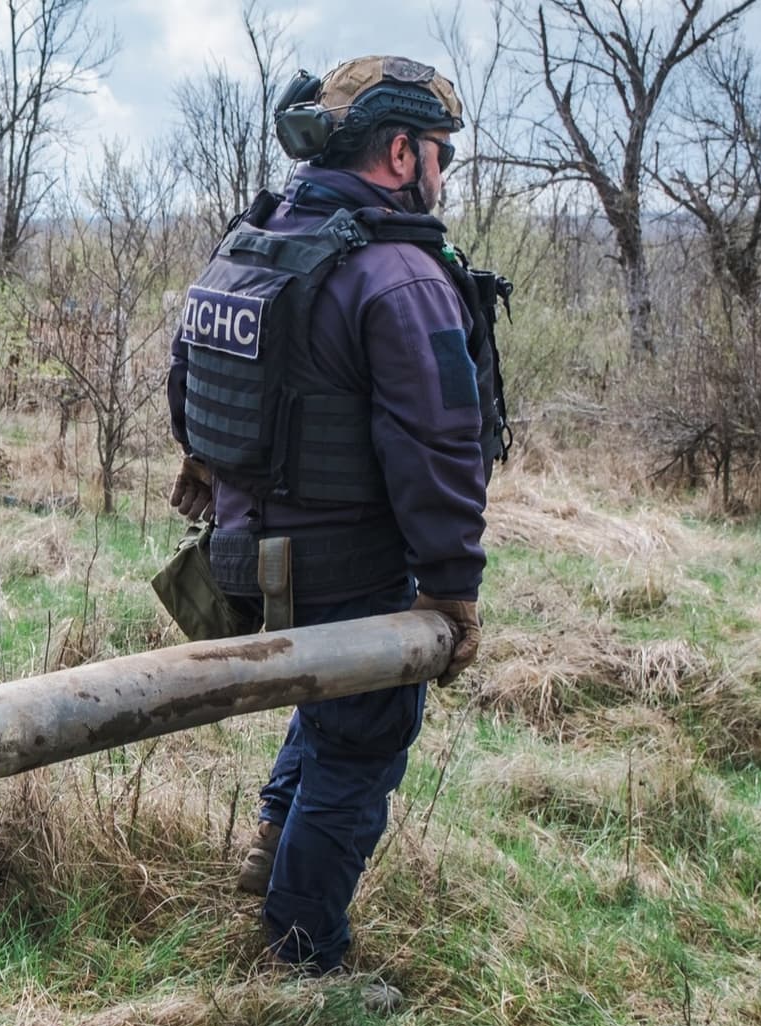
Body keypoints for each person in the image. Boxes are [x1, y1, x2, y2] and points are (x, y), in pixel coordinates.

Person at [166, 55, 506, 976]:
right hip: (347, 566)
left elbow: (187, 378)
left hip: (245, 555)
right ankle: (303, 952)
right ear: (402, 152)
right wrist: (453, 592)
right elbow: (437, 444)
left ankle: (272, 840)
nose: (445, 174)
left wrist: (209, 472)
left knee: (328, 708)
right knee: (362, 743)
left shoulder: (254, 238)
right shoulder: (399, 273)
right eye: (442, 154)